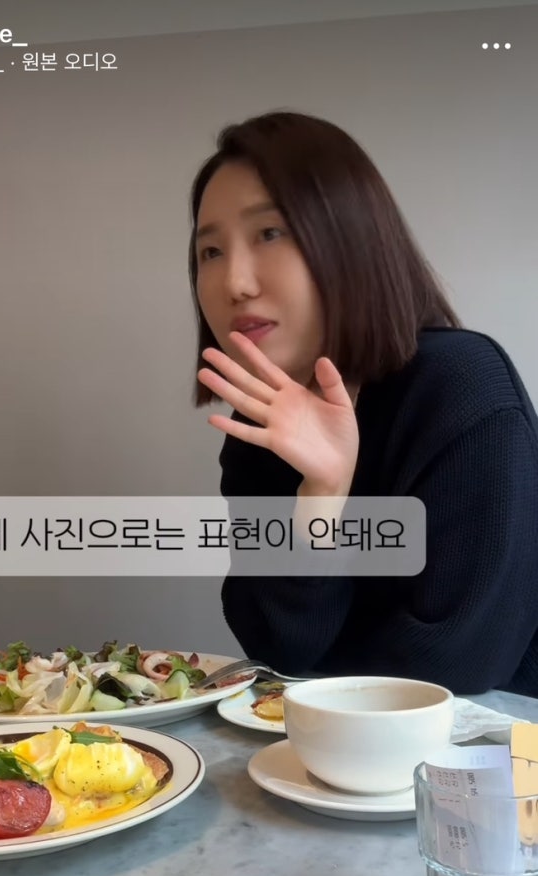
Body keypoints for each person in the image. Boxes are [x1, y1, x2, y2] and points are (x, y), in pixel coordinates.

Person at [189, 110, 538, 696]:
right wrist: (321, 497)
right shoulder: (263, 420)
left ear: (350, 239)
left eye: (270, 233)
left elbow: (459, 665)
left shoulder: (461, 386)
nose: (235, 283)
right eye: (210, 252)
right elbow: (277, 645)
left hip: (490, 743)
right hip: (332, 739)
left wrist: (323, 671)